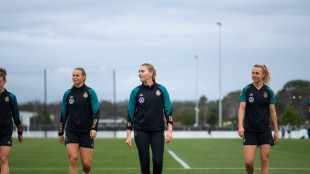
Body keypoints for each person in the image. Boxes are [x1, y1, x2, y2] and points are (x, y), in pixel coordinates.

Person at [126, 63, 173, 174]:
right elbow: (130, 113)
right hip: (141, 131)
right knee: (145, 162)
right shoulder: (135, 91)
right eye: (139, 71)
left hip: (157, 131)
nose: (139, 74)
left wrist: (170, 130)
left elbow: (168, 110)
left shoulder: (162, 90)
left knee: (158, 161)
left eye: (142, 71)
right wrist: (128, 135)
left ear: (151, 73)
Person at [238, 64, 279, 174]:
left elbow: (273, 112)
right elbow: (241, 109)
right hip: (250, 131)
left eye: (257, 73)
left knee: (264, 160)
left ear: (263, 75)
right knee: (248, 162)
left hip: (264, 130)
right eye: (253, 73)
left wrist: (276, 130)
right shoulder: (246, 90)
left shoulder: (269, 91)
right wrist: (240, 126)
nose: (254, 75)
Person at [58, 67, 100, 174]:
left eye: (77, 75)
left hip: (87, 132)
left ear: (83, 77)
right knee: (73, 159)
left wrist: (94, 128)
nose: (74, 77)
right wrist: (60, 132)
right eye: (73, 75)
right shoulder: (67, 94)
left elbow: (96, 111)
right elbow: (63, 114)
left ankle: (86, 172)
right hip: (72, 131)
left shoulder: (90, 92)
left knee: (86, 165)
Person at [0, 67, 23, 174]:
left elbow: (16, 116)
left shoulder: (11, 97)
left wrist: (20, 132)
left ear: (4, 81)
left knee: (3, 159)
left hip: (5, 132)